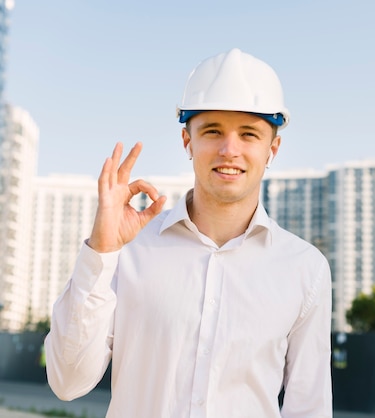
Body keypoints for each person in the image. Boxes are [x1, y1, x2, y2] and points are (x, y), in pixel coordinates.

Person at [44, 48, 333, 417]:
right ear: (187, 142)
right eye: (213, 131)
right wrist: (101, 252)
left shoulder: (304, 269)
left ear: (272, 149)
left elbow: (308, 408)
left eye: (249, 134)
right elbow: (67, 382)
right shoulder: (127, 250)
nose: (230, 150)